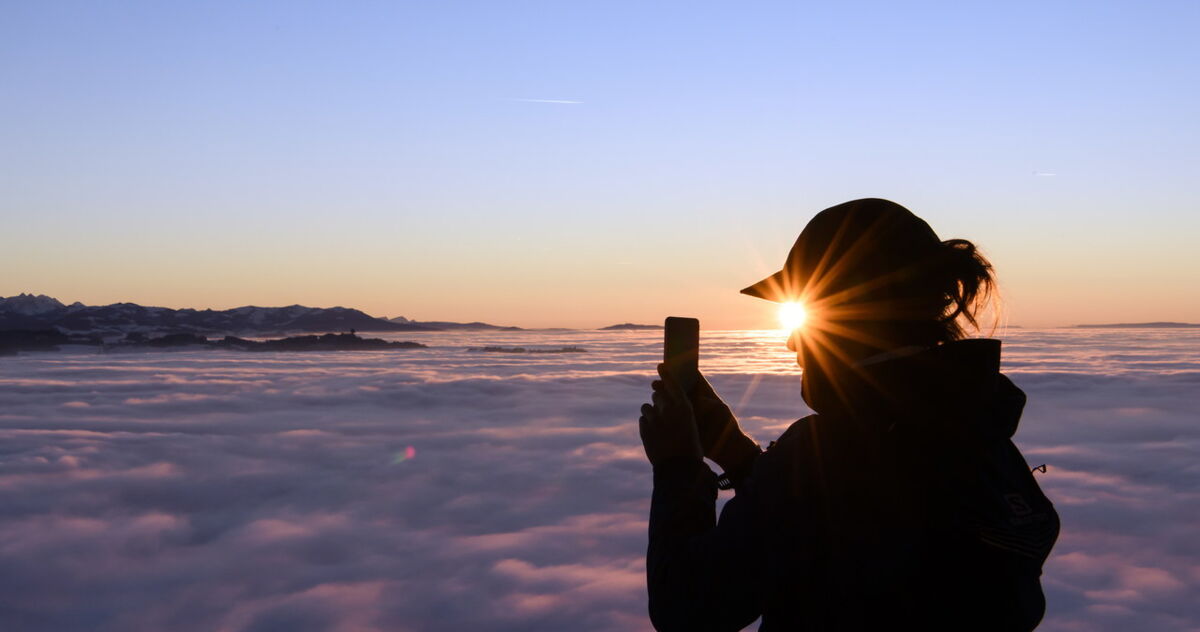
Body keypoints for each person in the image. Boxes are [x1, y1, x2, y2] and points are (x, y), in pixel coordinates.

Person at [638, 198, 1059, 631]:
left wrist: (677, 467)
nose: (791, 344)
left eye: (807, 316)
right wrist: (742, 459)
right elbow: (844, 529)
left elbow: (686, 607)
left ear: (854, 317)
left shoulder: (827, 455)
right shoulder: (984, 440)